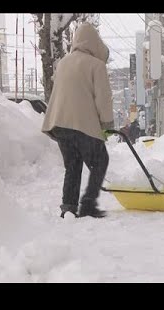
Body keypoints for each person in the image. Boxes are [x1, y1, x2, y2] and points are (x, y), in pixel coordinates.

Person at [42, 23, 113, 219]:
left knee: (72, 166)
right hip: (82, 125)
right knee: (100, 161)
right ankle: (88, 204)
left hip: (60, 125)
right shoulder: (96, 65)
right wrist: (107, 124)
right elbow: (103, 98)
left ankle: (68, 207)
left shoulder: (64, 62)